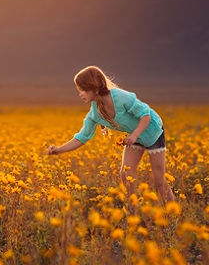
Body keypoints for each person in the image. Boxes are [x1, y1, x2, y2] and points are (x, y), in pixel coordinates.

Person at [46, 66, 176, 203]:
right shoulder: (94, 114)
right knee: (126, 174)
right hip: (134, 135)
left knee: (159, 180)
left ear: (94, 87)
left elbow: (146, 115)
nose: (80, 94)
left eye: (83, 90)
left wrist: (135, 135)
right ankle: (133, 212)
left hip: (152, 131)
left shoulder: (120, 97)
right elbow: (81, 138)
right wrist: (59, 149)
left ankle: (173, 215)